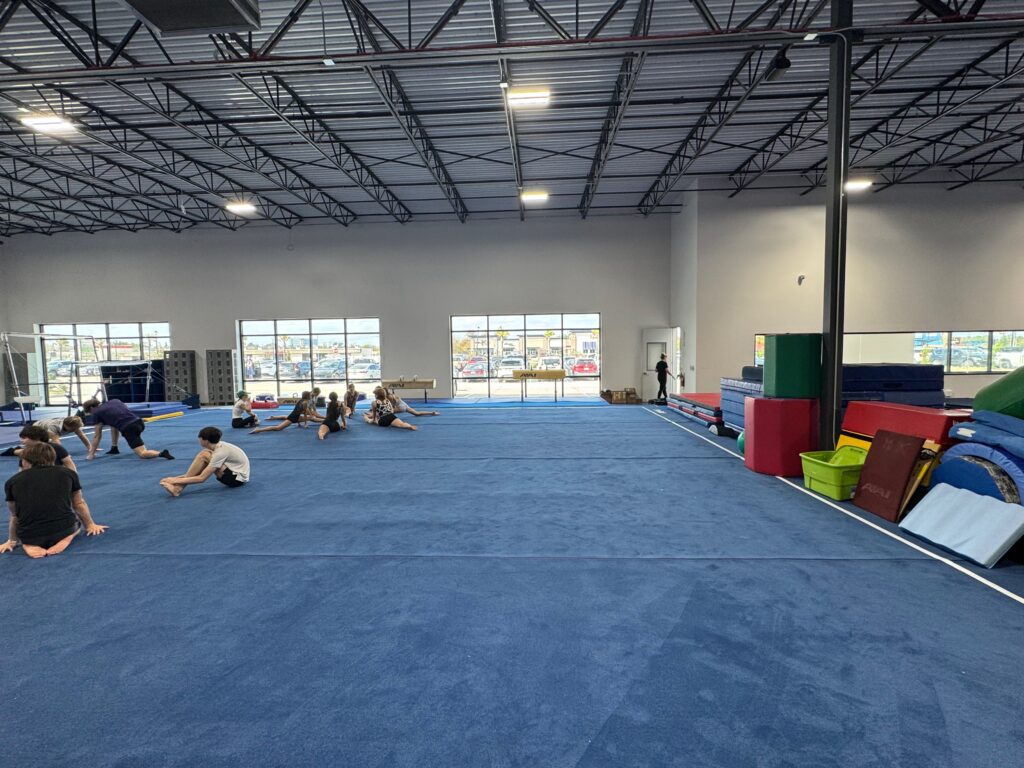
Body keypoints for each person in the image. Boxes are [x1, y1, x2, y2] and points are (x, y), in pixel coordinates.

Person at [1, 442, 107, 558]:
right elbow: (78, 503)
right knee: (76, 524)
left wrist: (12, 540)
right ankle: (67, 538)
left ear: (25, 460)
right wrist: (90, 525)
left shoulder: (12, 482)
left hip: (30, 535)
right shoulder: (68, 473)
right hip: (63, 529)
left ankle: (29, 544)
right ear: (53, 458)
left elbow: (15, 515)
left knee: (23, 521)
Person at [159, 426, 250, 496]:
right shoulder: (218, 446)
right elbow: (198, 472)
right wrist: (176, 478)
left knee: (204, 455)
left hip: (236, 480)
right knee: (205, 454)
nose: (198, 440)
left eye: (200, 438)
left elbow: (201, 478)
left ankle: (177, 489)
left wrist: (174, 480)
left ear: (205, 440)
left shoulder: (219, 453)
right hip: (236, 473)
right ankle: (178, 489)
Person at [82, 397, 174, 460]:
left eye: (90, 411)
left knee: (142, 454)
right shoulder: (115, 401)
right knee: (114, 425)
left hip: (129, 428)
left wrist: (91, 454)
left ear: (92, 407)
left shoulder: (97, 413)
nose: (91, 413)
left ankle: (161, 453)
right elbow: (117, 420)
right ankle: (114, 448)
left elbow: (97, 436)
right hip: (139, 422)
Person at [1, 425, 79, 472]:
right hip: (36, 477)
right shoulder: (26, 452)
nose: (21, 440)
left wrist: (74, 478)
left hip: (55, 475)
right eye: (21, 438)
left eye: (24, 438)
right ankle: (12, 450)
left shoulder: (57, 448)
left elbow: (69, 463)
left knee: (17, 451)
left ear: (36, 438)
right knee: (15, 452)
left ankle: (13, 450)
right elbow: (22, 470)